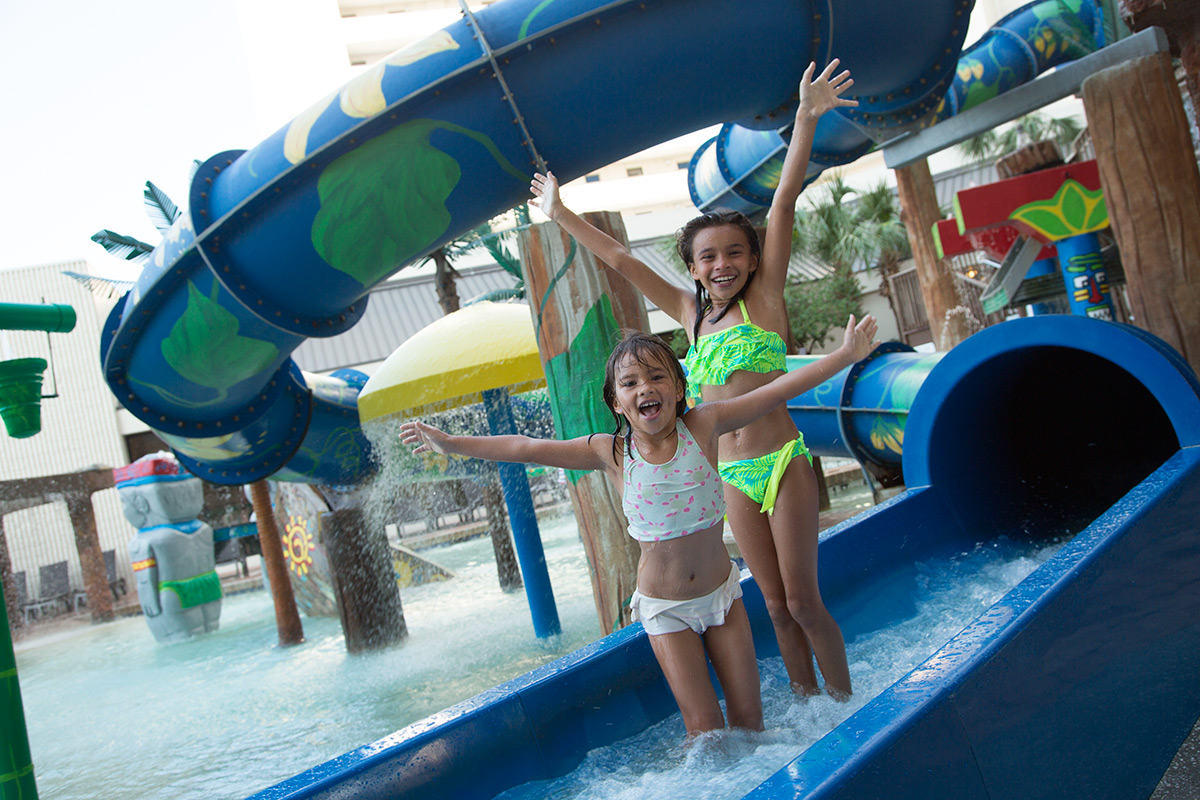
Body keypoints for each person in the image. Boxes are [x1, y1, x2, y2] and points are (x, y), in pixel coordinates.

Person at [530, 60, 860, 699]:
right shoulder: (690, 314)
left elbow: (784, 197)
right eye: (708, 256)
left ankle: (848, 706)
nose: (723, 264)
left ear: (753, 259)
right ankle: (810, 709)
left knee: (804, 600)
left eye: (735, 252)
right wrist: (559, 212)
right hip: (729, 473)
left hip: (782, 461)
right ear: (693, 266)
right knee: (773, 606)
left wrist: (806, 117)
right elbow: (623, 259)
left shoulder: (764, 298)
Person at [400, 322, 878, 737]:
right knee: (706, 729)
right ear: (617, 401)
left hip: (722, 598)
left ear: (677, 388)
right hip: (665, 609)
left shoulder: (704, 425)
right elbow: (525, 447)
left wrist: (843, 356)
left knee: (750, 719)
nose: (645, 387)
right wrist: (452, 443)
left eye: (656, 376)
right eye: (630, 382)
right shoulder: (609, 452)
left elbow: (771, 393)